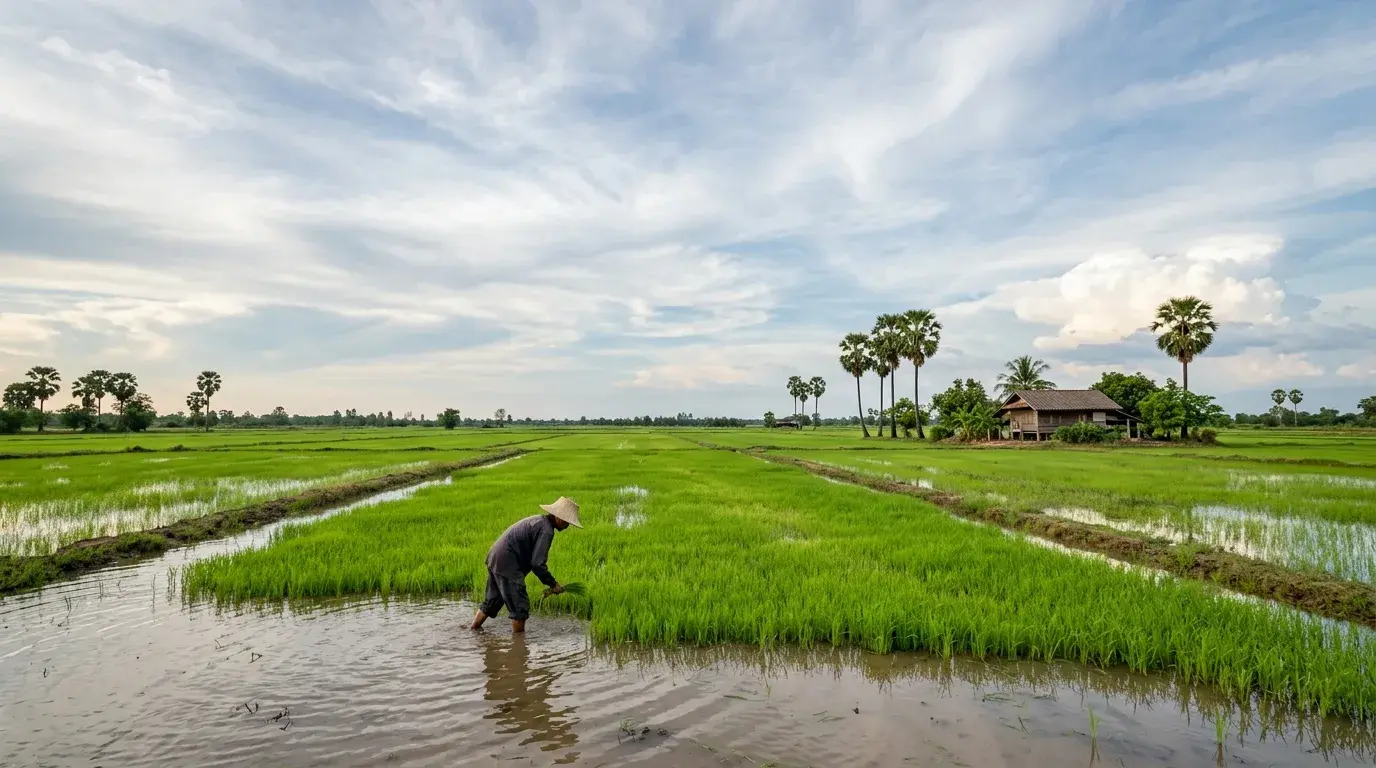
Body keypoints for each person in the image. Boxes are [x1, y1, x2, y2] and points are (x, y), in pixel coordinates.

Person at [472, 496, 583, 633]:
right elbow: (537, 564)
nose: (567, 526)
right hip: (507, 564)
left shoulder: (539, 521)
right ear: (559, 518)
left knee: (492, 600)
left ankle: (473, 630)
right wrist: (553, 584)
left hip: (495, 557)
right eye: (567, 523)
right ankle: (519, 648)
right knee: (520, 607)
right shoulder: (547, 530)